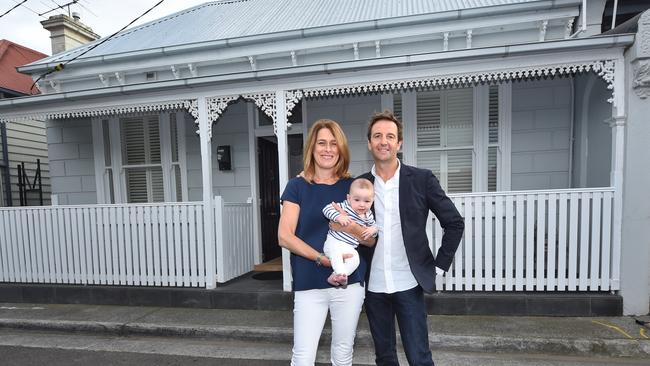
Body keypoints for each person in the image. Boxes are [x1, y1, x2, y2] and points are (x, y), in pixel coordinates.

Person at [354, 110, 465, 366]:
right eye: (378, 136)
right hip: (373, 286)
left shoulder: (422, 179)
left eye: (390, 136)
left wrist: (437, 267)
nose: (384, 141)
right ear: (370, 143)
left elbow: (455, 223)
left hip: (409, 283)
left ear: (399, 143)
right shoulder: (359, 185)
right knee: (384, 358)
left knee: (419, 357)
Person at [278, 119, 373, 366]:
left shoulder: (352, 187)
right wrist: (323, 259)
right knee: (303, 356)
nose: (327, 149)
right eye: (321, 143)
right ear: (312, 147)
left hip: (349, 284)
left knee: (342, 354)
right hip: (310, 281)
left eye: (334, 143)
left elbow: (371, 241)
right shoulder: (297, 186)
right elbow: (284, 236)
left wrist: (347, 226)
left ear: (341, 149)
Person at [322, 178, 378, 286]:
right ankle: (340, 273)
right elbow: (327, 209)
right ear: (349, 198)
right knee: (336, 253)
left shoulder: (369, 215)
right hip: (334, 242)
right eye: (357, 200)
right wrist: (338, 217)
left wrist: (373, 230)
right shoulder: (345, 206)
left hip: (349, 247)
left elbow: (373, 231)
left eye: (367, 201)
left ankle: (337, 276)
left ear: (372, 200)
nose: (362, 205)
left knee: (355, 260)